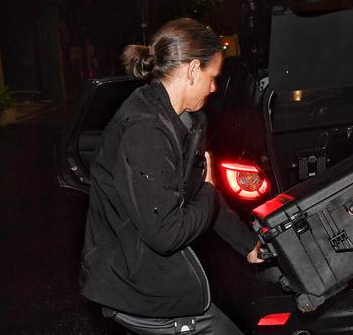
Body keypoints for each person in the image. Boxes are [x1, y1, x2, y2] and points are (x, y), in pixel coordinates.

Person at [79, 18, 262, 335]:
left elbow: (201, 194)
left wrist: (248, 245)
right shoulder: (144, 130)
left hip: (154, 278)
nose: (214, 87)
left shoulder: (189, 119)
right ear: (193, 70)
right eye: (212, 76)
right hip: (138, 291)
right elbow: (167, 234)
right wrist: (207, 189)